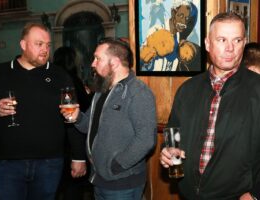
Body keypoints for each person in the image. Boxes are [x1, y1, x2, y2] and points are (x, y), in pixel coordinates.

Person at [160, 12, 260, 199]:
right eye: (222, 40)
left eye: (237, 40)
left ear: (244, 43)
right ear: (207, 44)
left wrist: (255, 194)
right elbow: (172, 136)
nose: (230, 48)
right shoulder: (187, 89)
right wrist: (166, 151)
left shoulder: (257, 89)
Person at [0, 23, 86, 200]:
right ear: (23, 45)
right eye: (39, 44)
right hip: (7, 163)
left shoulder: (60, 75)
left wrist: (79, 157)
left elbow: (72, 116)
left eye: (48, 45)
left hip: (49, 163)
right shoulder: (0, 72)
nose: (45, 49)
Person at [60, 37, 157, 200]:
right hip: (99, 180)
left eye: (98, 58)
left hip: (122, 183)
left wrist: (115, 165)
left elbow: (146, 140)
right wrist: (77, 117)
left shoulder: (138, 92)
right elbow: (88, 127)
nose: (92, 63)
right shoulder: (101, 90)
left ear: (115, 62)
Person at [53, 46, 93, 200]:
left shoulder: (53, 77)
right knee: (73, 187)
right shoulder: (71, 81)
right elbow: (81, 112)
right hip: (73, 140)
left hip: (57, 141)